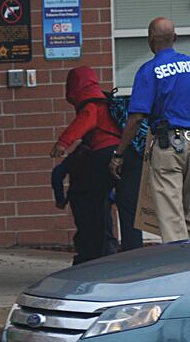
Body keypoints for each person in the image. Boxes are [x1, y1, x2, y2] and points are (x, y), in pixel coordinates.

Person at [110, 17, 190, 243]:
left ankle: (179, 269)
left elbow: (137, 117)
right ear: (175, 38)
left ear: (150, 40)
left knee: (171, 216)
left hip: (169, 148)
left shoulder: (149, 71)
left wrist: (119, 153)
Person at [50, 66, 120, 263]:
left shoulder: (92, 104)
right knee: (107, 212)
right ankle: (120, 252)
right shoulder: (106, 103)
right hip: (121, 154)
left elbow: (85, 119)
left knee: (92, 216)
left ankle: (92, 257)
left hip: (102, 155)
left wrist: (63, 142)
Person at [51, 143, 118, 264]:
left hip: (78, 197)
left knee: (85, 231)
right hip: (99, 197)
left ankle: (85, 260)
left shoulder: (77, 155)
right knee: (104, 232)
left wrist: (60, 198)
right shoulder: (104, 154)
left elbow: (57, 173)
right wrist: (112, 197)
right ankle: (106, 261)